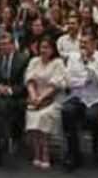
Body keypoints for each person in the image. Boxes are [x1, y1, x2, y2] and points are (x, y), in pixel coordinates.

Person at [61, 32, 98, 170]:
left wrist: (87, 63)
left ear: (94, 44)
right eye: (81, 43)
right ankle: (73, 152)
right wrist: (84, 80)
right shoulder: (72, 57)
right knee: (66, 110)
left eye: (86, 43)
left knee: (91, 115)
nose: (82, 46)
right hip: (78, 97)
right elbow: (69, 80)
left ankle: (96, 140)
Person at [0, 32, 29, 174]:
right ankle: (3, 141)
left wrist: (9, 90)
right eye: (1, 45)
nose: (3, 47)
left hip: (15, 97)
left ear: (13, 45)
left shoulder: (23, 60)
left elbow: (25, 85)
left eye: (6, 44)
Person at [24, 36, 68, 170]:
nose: (44, 50)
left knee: (44, 116)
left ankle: (45, 152)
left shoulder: (58, 63)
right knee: (31, 115)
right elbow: (29, 80)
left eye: (47, 47)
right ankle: (36, 152)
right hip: (35, 98)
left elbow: (55, 85)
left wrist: (41, 98)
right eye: (42, 47)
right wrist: (33, 97)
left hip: (53, 99)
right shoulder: (34, 61)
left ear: (53, 49)